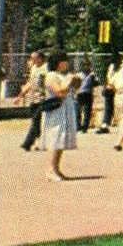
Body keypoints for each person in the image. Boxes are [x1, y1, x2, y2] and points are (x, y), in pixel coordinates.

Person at [41, 51, 79, 180]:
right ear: (59, 62)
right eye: (64, 61)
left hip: (66, 108)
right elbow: (59, 92)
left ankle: (56, 168)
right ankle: (50, 170)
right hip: (56, 110)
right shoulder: (51, 76)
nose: (67, 63)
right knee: (55, 137)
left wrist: (75, 81)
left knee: (62, 138)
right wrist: (68, 81)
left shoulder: (62, 75)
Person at [19, 50, 49, 151]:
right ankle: (42, 143)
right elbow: (30, 83)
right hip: (33, 99)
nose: (31, 60)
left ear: (40, 58)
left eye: (33, 58)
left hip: (42, 99)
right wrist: (20, 95)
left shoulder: (46, 69)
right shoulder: (33, 68)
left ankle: (27, 143)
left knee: (36, 122)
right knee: (37, 123)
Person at [97, 55, 118, 133]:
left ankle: (105, 125)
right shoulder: (115, 67)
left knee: (109, 108)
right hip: (111, 88)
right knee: (109, 108)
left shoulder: (111, 67)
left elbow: (109, 78)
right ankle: (105, 125)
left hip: (111, 88)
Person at [75, 59, 96, 133]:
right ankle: (78, 126)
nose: (86, 67)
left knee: (87, 111)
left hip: (88, 93)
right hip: (80, 93)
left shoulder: (92, 75)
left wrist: (92, 78)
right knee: (77, 111)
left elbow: (95, 84)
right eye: (84, 65)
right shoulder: (79, 75)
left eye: (88, 65)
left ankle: (85, 128)